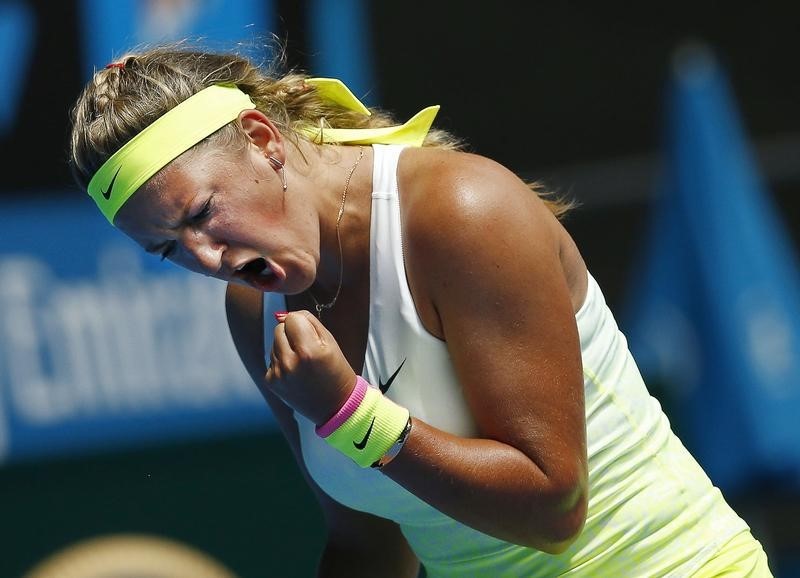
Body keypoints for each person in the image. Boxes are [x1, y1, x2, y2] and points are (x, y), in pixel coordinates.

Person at [69, 46, 772, 577]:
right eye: (168, 249)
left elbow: (553, 510)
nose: (206, 255)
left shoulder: (462, 212)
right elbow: (367, 540)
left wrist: (349, 412)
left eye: (201, 213)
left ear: (262, 139)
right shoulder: (252, 307)